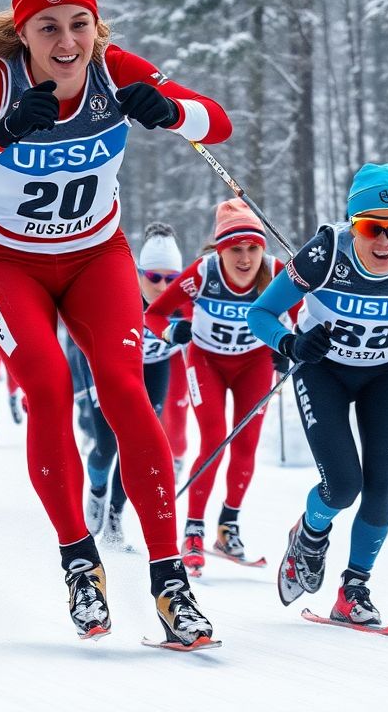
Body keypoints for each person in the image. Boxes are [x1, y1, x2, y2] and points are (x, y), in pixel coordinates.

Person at [0, 0, 231, 644]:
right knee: (49, 388)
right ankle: (79, 563)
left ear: (97, 25)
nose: (68, 43)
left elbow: (218, 121)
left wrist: (169, 110)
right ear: (23, 32)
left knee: (125, 388)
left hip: (97, 257)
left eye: (80, 25)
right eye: (49, 28)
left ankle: (169, 584)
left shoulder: (114, 69)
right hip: (8, 264)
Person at [248, 163, 388, 627]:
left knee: (381, 485)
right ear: (352, 224)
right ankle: (310, 535)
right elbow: (261, 313)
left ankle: (354, 590)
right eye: (370, 227)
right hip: (324, 372)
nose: (383, 241)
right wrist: (291, 344)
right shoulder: (324, 253)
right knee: (343, 486)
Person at [145, 202, 292, 575]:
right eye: (235, 249)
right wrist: (169, 331)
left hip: (254, 364)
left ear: (263, 248)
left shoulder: (276, 273)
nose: (245, 259)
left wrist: (287, 344)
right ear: (219, 249)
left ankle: (228, 527)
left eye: (253, 248)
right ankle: (193, 530)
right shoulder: (203, 273)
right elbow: (154, 313)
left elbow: (309, 313)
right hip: (206, 362)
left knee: (245, 444)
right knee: (213, 439)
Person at [84, 224, 185, 551]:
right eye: (153, 277)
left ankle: (115, 514)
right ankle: (97, 490)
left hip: (153, 369)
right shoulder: (118, 293)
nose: (162, 286)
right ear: (139, 273)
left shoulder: (185, 302)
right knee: (106, 445)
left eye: (171, 279)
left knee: (138, 444)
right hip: (109, 369)